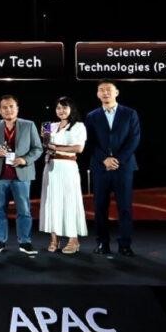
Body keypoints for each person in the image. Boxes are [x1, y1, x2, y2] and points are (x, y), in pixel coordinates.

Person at [85, 79, 141, 257]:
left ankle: (125, 245)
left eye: (108, 89)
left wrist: (118, 159)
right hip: (100, 167)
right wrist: (104, 159)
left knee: (125, 207)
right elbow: (90, 142)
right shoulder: (92, 116)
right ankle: (102, 243)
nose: (105, 92)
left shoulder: (130, 113)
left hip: (123, 167)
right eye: (101, 90)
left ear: (116, 92)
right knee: (100, 207)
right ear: (97, 94)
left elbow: (134, 139)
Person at [0, 95, 43, 255]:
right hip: (0, 175)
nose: (8, 110)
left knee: (24, 210)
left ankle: (25, 242)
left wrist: (25, 159)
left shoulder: (29, 125)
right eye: (4, 107)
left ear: (17, 108)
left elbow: (38, 148)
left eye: (11, 106)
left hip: (21, 175)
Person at [39, 97, 88, 254]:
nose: (61, 111)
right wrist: (46, 142)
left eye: (64, 108)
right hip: (51, 167)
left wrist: (56, 147)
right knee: (52, 201)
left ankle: (73, 239)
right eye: (58, 108)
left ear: (71, 109)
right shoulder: (49, 126)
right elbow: (45, 145)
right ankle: (54, 238)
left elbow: (79, 148)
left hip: (68, 167)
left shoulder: (79, 126)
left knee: (69, 201)